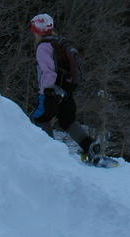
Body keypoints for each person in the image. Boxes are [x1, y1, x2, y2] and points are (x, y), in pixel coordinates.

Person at [29, 13, 102, 165]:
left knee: (39, 119)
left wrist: (46, 90)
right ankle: (89, 146)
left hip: (51, 92)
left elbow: (48, 72)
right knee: (67, 120)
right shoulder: (58, 43)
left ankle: (48, 154)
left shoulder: (42, 47)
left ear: (36, 30)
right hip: (66, 90)